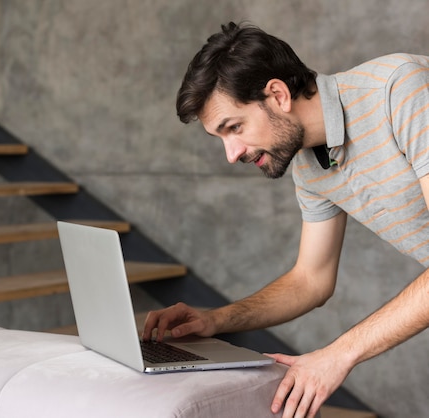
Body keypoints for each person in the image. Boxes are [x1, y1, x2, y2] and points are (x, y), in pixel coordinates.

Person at [142, 21, 429, 418]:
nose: (231, 153)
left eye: (234, 128)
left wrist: (337, 355)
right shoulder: (309, 167)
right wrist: (215, 320)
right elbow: (311, 280)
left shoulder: (403, 90)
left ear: (277, 95)